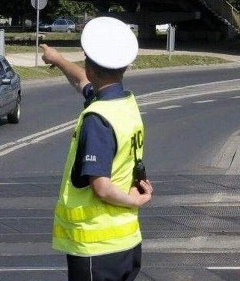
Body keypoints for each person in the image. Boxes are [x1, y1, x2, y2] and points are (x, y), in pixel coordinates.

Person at [40, 16, 153, 281]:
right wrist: (57, 60)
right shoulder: (124, 103)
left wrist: (134, 200)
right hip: (126, 241)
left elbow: (100, 186)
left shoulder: (97, 119)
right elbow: (82, 80)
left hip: (96, 247)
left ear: (91, 69)